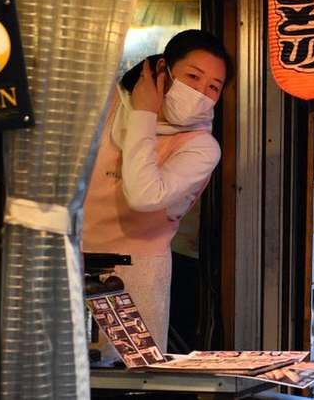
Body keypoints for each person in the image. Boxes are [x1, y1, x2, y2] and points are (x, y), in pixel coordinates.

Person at [82, 30, 231, 360]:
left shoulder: (201, 146)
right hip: (73, 262)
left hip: (137, 273)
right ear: (163, 69)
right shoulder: (105, 105)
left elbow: (144, 196)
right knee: (64, 372)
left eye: (213, 87)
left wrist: (144, 113)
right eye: (193, 76)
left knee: (131, 378)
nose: (200, 92)